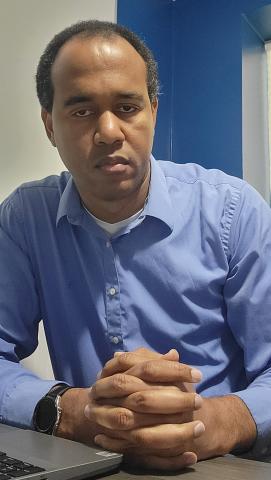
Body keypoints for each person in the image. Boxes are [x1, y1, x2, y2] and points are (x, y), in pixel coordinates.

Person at [0, 19, 271, 471]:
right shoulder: (26, 219)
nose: (109, 131)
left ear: (153, 112)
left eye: (127, 107)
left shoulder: (233, 211)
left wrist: (216, 420)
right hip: (93, 459)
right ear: (50, 125)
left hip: (223, 462)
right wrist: (69, 410)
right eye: (81, 110)